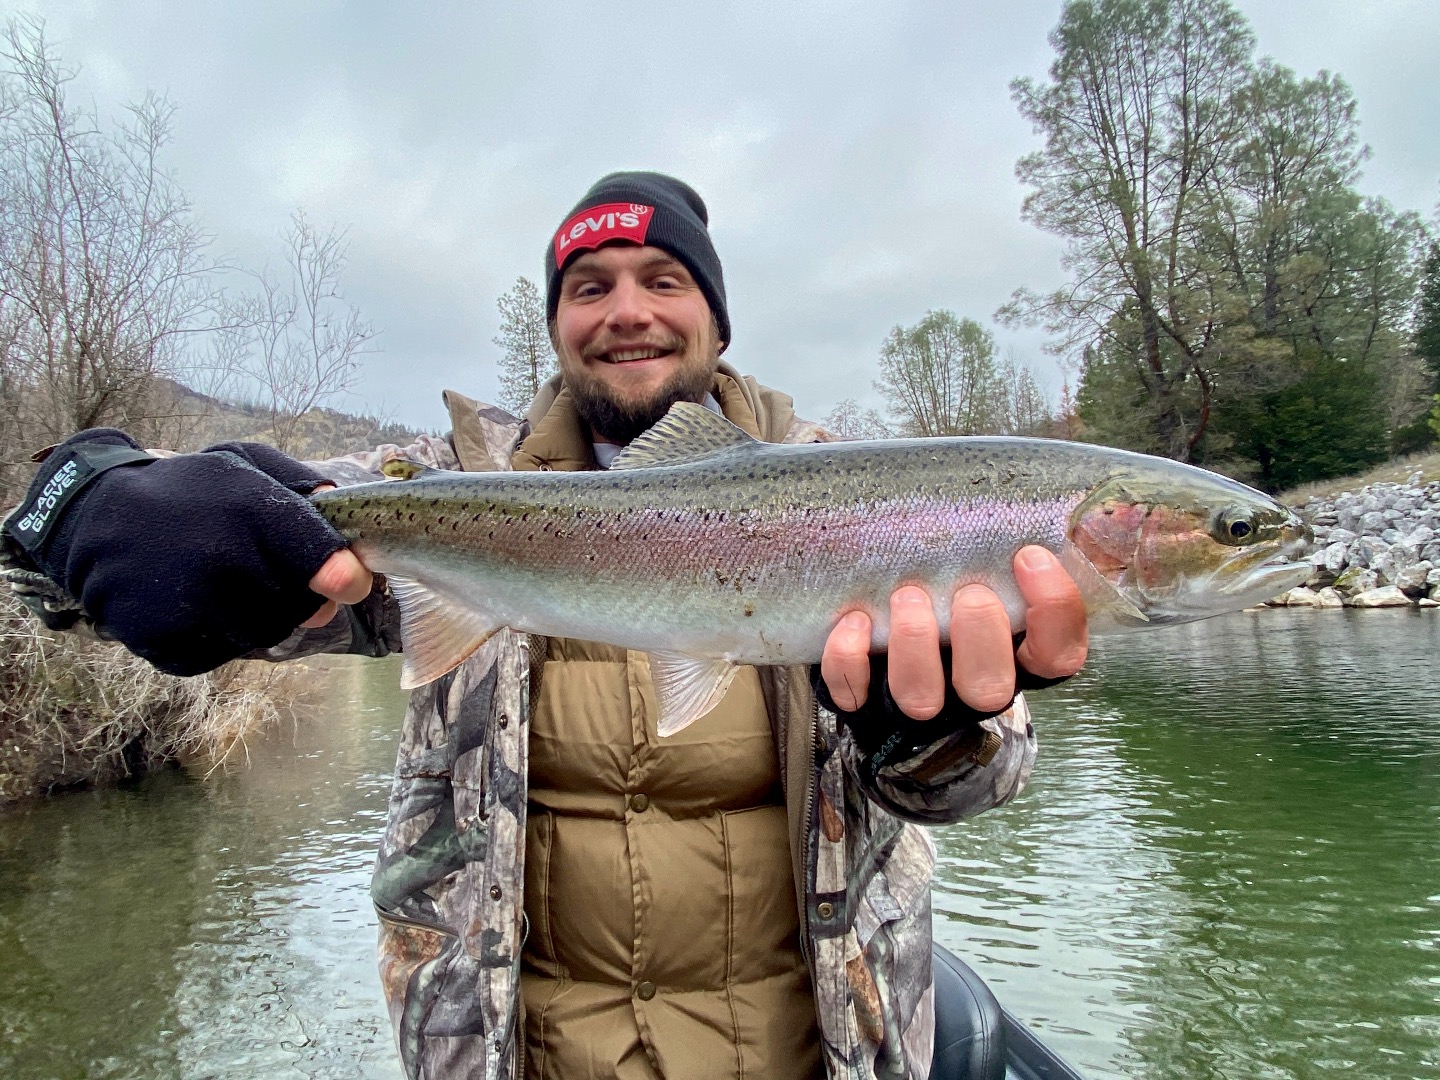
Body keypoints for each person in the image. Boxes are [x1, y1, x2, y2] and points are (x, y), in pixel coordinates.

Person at [1, 172, 1088, 1080]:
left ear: (717, 316)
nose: (626, 310)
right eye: (588, 286)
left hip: (814, 1051)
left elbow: (972, 786)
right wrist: (82, 501)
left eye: (663, 279)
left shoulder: (878, 495)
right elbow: (254, 544)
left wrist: (933, 733)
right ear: (556, 322)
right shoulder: (457, 498)